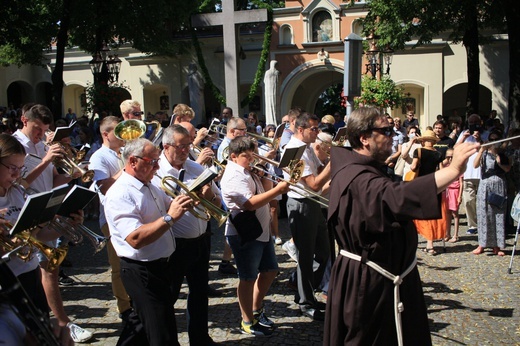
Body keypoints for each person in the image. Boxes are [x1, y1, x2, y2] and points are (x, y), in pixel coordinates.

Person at [324, 107, 479, 345]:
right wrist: (453, 170)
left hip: (378, 276)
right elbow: (396, 196)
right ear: (364, 138)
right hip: (370, 282)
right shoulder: (360, 177)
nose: (392, 136)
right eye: (385, 131)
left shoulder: (355, 168)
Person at [13, 104, 93, 343]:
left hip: (47, 209)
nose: (40, 134)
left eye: (44, 130)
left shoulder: (40, 145)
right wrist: (47, 159)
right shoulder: (15, 146)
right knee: (46, 272)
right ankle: (61, 324)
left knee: (49, 271)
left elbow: (52, 180)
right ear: (24, 120)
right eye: (37, 129)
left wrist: (73, 174)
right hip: (27, 212)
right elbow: (20, 182)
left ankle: (50, 323)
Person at [104, 138, 193, 345]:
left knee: (140, 327)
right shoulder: (120, 193)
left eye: (157, 160)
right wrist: (171, 217)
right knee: (163, 335)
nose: (158, 166)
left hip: (162, 266)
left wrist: (186, 201)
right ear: (133, 161)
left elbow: (166, 206)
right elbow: (135, 238)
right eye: (152, 161)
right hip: (142, 271)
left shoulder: (150, 185)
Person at [152, 125, 220, 345]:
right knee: (168, 297)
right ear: (166, 146)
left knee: (199, 294)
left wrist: (209, 195)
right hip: (174, 245)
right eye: (181, 147)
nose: (185, 151)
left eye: (188, 146)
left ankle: (200, 339)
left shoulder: (195, 167)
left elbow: (218, 203)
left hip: (200, 241)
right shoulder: (156, 172)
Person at [220, 136, 289, 336]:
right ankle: (247, 320)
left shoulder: (246, 170)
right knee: (248, 277)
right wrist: (278, 189)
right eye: (245, 156)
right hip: (245, 233)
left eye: (252, 154)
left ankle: (257, 310)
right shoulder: (234, 175)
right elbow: (249, 203)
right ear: (233, 156)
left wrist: (265, 175)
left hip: (261, 229)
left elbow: (265, 192)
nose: (250, 159)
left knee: (270, 270)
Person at [284, 112, 331, 321]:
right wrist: (333, 165)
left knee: (324, 251)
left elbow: (319, 170)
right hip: (301, 204)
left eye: (317, 128)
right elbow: (313, 183)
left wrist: (329, 160)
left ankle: (305, 292)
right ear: (300, 129)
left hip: (312, 203)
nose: (317, 132)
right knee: (306, 255)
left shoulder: (307, 148)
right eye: (314, 128)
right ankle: (305, 301)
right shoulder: (293, 151)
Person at [87, 116, 131, 321]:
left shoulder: (122, 152)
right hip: (112, 217)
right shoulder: (99, 157)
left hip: (131, 212)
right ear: (106, 134)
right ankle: (124, 307)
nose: (123, 135)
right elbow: (103, 186)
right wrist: (126, 169)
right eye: (118, 132)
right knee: (118, 265)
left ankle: (135, 300)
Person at [472, 130, 510, 256]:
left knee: (497, 214)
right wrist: (481, 150)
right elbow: (475, 165)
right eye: (492, 139)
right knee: (483, 214)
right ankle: (482, 244)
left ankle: (497, 245)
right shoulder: (484, 153)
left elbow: (507, 169)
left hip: (498, 184)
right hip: (485, 184)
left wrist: (499, 162)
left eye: (496, 140)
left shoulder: (502, 154)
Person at [410, 129, 446, 255]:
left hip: (421, 185)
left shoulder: (418, 151)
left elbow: (413, 167)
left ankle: (425, 242)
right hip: (434, 184)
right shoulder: (438, 154)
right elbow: (441, 170)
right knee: (432, 213)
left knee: (419, 212)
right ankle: (430, 243)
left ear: (423, 140)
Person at [455, 114, 483, 235]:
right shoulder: (464, 134)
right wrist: (463, 137)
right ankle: (472, 225)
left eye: (475, 122)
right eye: (471, 123)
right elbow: (455, 148)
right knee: (468, 201)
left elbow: (487, 147)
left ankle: (483, 224)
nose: (473, 125)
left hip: (482, 173)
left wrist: (478, 139)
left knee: (481, 201)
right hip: (468, 172)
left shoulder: (485, 134)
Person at [441, 148, 463, 242]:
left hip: (455, 191)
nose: (450, 159)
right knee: (447, 213)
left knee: (455, 213)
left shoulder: (458, 167)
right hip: (447, 191)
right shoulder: (446, 166)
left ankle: (456, 235)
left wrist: (460, 196)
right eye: (448, 157)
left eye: (451, 157)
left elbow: (461, 182)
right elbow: (440, 169)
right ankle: (447, 233)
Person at [263, 60, 280, 126]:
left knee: (269, 106)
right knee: (275, 106)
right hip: (275, 93)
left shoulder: (267, 72)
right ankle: (275, 121)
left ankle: (270, 121)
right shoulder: (277, 72)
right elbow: (279, 81)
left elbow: (264, 81)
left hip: (268, 92)